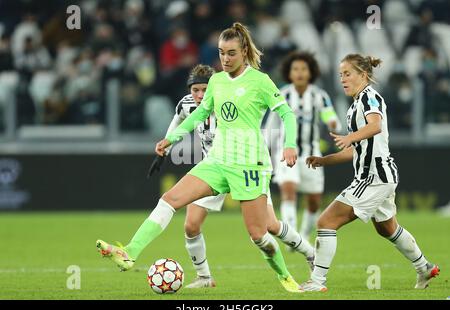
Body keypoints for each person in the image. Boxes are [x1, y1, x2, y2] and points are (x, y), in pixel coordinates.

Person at [97, 22, 307, 293]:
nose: (225, 59)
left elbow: (287, 114)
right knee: (169, 200)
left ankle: (285, 277)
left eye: (231, 53)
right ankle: (130, 252)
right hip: (217, 161)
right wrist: (171, 138)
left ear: (244, 51)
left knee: (258, 234)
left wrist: (290, 144)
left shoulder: (259, 81)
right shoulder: (217, 81)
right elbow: (198, 114)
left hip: (248, 164)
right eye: (221, 53)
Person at [149, 63, 314, 289]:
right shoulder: (187, 105)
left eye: (204, 90)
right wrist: (165, 150)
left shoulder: (228, 101)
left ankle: (310, 254)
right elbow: (179, 120)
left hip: (245, 167)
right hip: (214, 170)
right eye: (195, 90)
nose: (199, 95)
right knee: (191, 225)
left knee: (270, 226)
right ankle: (205, 277)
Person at [298, 54, 440, 292]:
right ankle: (424, 266)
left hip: (373, 176)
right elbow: (354, 151)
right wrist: (324, 160)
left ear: (363, 75)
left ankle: (317, 281)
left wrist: (349, 137)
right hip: (380, 176)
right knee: (387, 228)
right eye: (340, 74)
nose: (343, 79)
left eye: (348, 73)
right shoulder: (355, 105)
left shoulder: (369, 98)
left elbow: (375, 125)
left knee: (326, 221)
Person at [265, 51, 341, 242]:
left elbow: (330, 117)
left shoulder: (319, 95)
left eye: (303, 69)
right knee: (288, 190)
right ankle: (292, 237)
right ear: (289, 73)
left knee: (314, 201)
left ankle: (305, 235)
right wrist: (264, 147)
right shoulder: (282, 94)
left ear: (310, 72)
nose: (299, 73)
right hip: (286, 153)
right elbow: (271, 125)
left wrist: (333, 124)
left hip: (311, 154)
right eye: (295, 69)